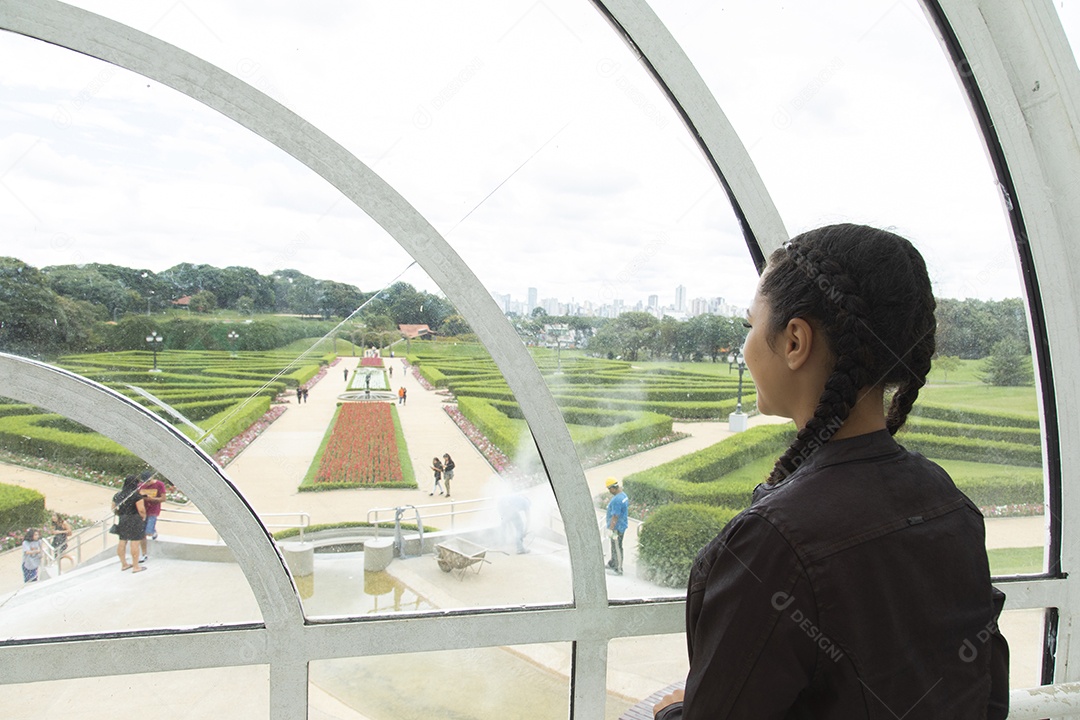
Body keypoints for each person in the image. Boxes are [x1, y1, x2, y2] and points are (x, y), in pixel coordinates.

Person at [653, 224, 1008, 719]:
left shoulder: (773, 543)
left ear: (795, 340)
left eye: (748, 326)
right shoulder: (946, 498)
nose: (745, 348)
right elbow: (985, 692)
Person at [113, 474, 148, 573]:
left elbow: (113, 508)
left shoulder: (118, 495)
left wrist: (121, 514)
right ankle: (136, 566)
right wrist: (143, 517)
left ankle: (124, 564)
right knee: (135, 542)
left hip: (123, 519)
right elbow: (141, 510)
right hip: (135, 519)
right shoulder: (136, 496)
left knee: (122, 541)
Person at [138, 470, 167, 562]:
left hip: (153, 510)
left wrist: (152, 499)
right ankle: (144, 554)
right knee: (142, 534)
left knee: (148, 531)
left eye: (148, 481)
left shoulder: (159, 485)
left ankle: (153, 531)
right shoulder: (140, 486)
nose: (146, 483)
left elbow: (163, 498)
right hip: (143, 511)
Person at [604, 478, 628, 575]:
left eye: (609, 489)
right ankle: (613, 562)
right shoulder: (623, 495)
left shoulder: (617, 500)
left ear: (613, 488)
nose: (609, 492)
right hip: (621, 526)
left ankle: (619, 568)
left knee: (617, 546)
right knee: (614, 545)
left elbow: (615, 516)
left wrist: (611, 528)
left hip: (616, 529)